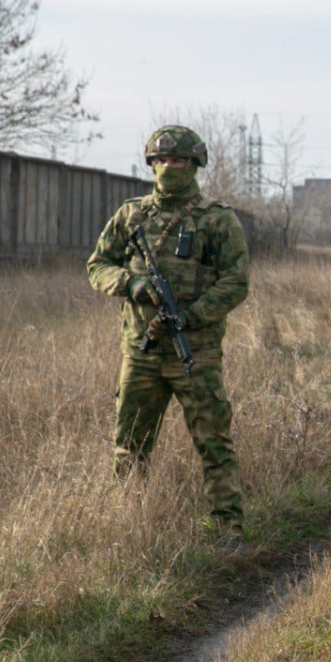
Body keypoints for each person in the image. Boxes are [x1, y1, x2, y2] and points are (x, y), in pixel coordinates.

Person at [86, 126, 250, 542]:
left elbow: (236, 281)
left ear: (194, 165)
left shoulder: (216, 219)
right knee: (129, 448)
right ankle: (127, 528)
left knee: (214, 445)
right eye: (161, 161)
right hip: (141, 353)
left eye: (178, 161)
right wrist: (132, 284)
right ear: (151, 164)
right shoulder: (131, 215)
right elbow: (97, 266)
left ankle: (228, 527)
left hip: (196, 353)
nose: (168, 168)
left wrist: (191, 316)